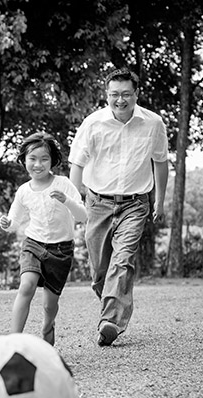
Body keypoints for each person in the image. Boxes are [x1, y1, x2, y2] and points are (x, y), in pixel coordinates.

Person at [68, 68, 169, 346]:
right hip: (97, 202)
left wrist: (159, 199)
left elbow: (161, 161)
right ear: (107, 95)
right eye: (114, 95)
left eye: (126, 94)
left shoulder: (153, 123)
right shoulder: (93, 123)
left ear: (136, 94)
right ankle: (114, 304)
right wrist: (73, 201)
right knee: (100, 271)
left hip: (135, 203)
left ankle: (110, 321)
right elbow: (77, 163)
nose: (120, 100)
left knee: (122, 259)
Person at [0, 132, 87, 346]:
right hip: (33, 244)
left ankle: (48, 325)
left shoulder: (63, 184)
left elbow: (83, 216)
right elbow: (14, 222)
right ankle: (13, 342)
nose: (38, 164)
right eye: (32, 159)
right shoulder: (23, 191)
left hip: (61, 249)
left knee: (49, 304)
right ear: (24, 160)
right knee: (26, 285)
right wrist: (7, 224)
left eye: (44, 159)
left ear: (52, 161)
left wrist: (66, 201)